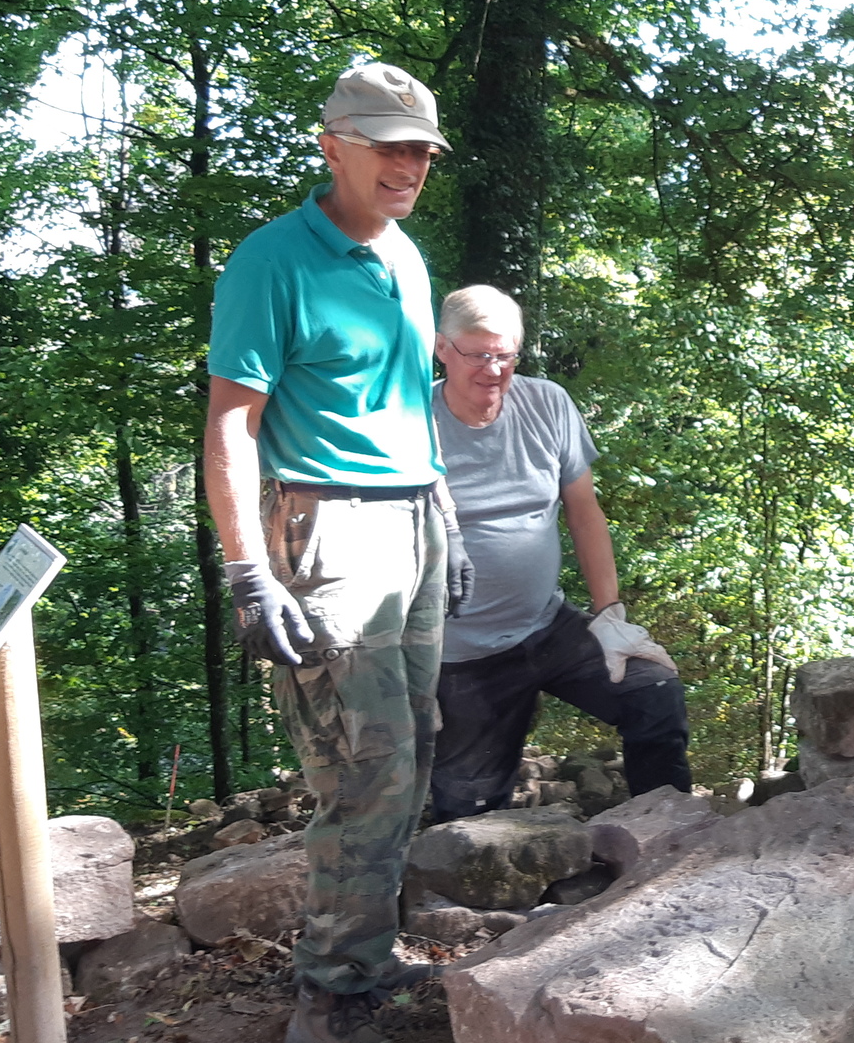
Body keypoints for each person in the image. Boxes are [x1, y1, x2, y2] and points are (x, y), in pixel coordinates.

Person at [203, 62, 468, 1043]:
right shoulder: (271, 261)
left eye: (422, 150)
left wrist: (445, 512)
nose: (410, 166)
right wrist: (248, 570)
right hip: (328, 529)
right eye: (389, 147)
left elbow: (407, 400)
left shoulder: (404, 255)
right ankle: (330, 994)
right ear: (333, 148)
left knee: (417, 745)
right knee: (366, 764)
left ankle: (366, 957)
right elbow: (232, 423)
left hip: (414, 520)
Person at [426, 284, 693, 824]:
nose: (494, 370)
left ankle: (665, 838)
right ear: (441, 349)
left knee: (653, 691)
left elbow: (584, 512)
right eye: (478, 355)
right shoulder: (412, 423)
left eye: (506, 355)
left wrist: (610, 615)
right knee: (469, 813)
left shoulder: (546, 403)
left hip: (547, 626)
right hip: (461, 653)